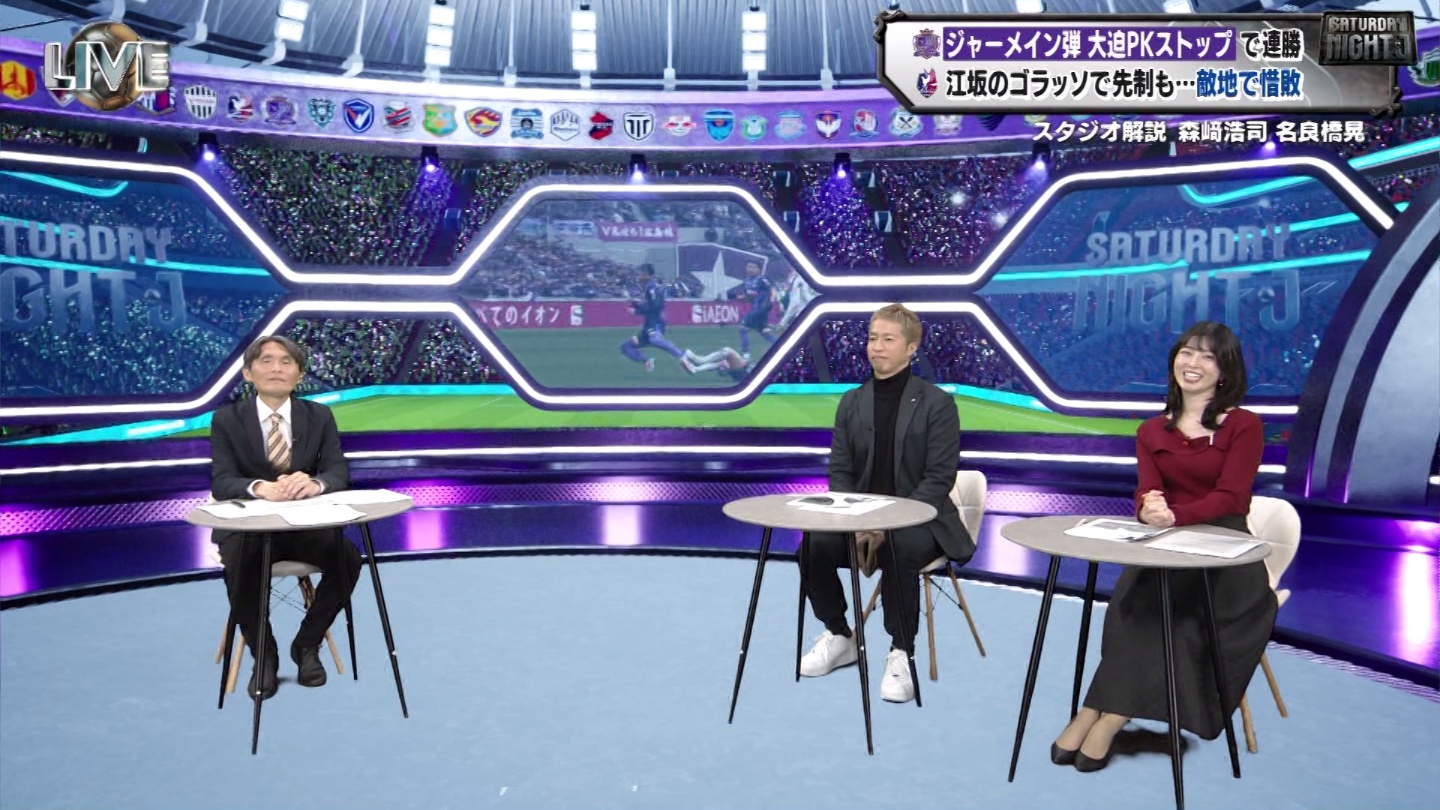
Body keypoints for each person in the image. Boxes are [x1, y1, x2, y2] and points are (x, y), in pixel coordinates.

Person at [1050, 321, 1276, 772]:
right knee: (1130, 607)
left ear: (1225, 371)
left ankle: (1107, 716)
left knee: (1173, 619)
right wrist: (1148, 509)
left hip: (1226, 557)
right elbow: (1146, 493)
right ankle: (1094, 711)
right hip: (1164, 549)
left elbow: (1233, 498)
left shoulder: (1244, 425)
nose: (1194, 363)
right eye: (1187, 353)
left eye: (1208, 356)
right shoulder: (1152, 430)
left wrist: (1175, 515)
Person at [797, 304, 973, 703]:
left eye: (888, 339)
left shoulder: (937, 404)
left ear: (912, 347)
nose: (877, 346)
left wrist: (889, 522)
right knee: (813, 544)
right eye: (873, 338)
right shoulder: (851, 402)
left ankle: (901, 652)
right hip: (859, 519)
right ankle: (839, 635)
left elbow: (938, 478)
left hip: (921, 522)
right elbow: (840, 472)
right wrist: (851, 519)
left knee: (898, 546)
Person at [210, 335, 361, 700]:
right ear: (248, 373)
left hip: (304, 528)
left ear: (300, 375)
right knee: (241, 564)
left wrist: (315, 483)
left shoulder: (319, 416)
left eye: (286, 362)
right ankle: (264, 654)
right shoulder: (227, 419)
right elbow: (222, 481)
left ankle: (307, 644)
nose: (276, 368)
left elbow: (338, 471)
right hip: (249, 530)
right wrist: (259, 487)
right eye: (266, 360)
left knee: (349, 559)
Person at [618, 264, 685, 371]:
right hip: (648, 325)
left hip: (655, 323)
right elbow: (647, 304)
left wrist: (637, 310)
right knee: (626, 346)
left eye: (640, 273)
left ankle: (682, 355)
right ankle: (646, 361)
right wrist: (634, 303)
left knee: (655, 340)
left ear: (646, 274)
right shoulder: (646, 287)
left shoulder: (652, 287)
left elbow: (655, 307)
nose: (638, 275)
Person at [728, 260, 776, 357]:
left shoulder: (762, 279)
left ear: (759, 269)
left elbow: (772, 289)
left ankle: (745, 353)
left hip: (761, 309)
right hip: (756, 308)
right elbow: (750, 297)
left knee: (743, 328)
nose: (750, 269)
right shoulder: (747, 280)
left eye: (753, 267)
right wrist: (741, 297)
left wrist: (771, 300)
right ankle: (781, 346)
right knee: (764, 332)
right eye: (748, 267)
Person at [776, 266, 817, 334]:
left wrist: (811, 299)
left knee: (797, 315)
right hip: (796, 299)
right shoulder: (797, 277)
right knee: (790, 313)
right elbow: (791, 287)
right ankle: (781, 327)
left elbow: (805, 291)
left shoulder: (803, 279)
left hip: (802, 301)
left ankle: (788, 328)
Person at [680, 346, 752, 382]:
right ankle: (695, 367)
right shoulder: (730, 366)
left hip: (739, 369)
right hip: (738, 371)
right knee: (704, 361)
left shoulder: (737, 366)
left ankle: (690, 357)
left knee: (703, 360)